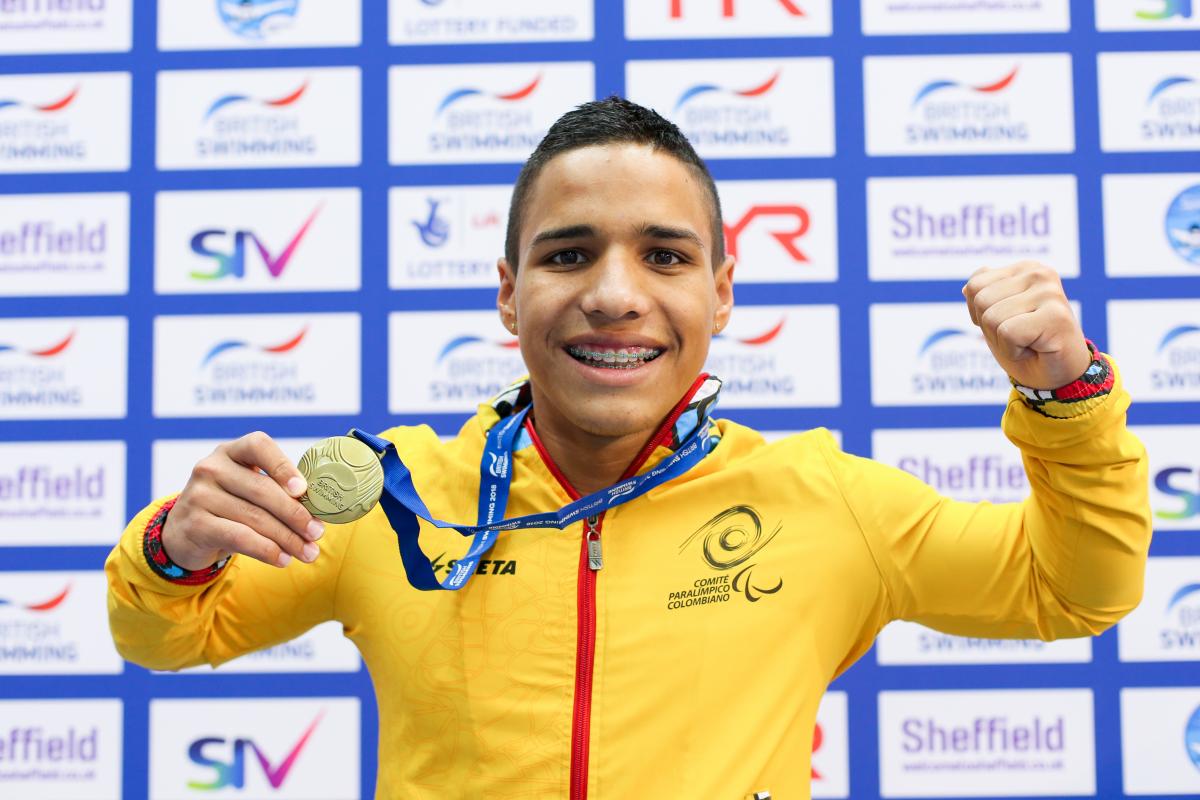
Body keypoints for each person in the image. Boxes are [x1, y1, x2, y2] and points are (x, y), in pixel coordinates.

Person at [106, 97, 1151, 799]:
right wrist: (172, 548)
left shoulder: (826, 502)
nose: (614, 293)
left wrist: (1067, 395)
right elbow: (169, 635)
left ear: (722, 290)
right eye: (568, 254)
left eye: (664, 254)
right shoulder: (395, 492)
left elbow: (1075, 587)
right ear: (511, 293)